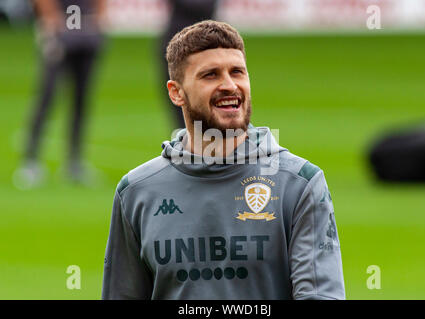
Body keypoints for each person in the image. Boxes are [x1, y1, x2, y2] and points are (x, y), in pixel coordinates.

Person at [102, 20, 345, 300]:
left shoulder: (299, 183)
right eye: (210, 75)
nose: (230, 85)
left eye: (237, 72)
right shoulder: (136, 192)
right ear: (176, 92)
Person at [14, 0, 106, 188]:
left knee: (81, 100)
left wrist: (98, 20)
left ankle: (74, 163)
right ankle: (31, 160)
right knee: (47, 96)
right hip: (60, 32)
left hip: (87, 35)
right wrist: (51, 20)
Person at [158, 0, 218, 129]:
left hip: (201, 46)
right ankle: (186, 135)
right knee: (178, 98)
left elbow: (201, 8)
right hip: (178, 44)